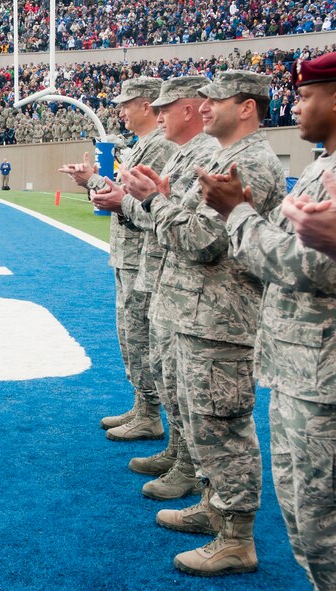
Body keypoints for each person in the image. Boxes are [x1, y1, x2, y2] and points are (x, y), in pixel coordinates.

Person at [200, 51, 336, 589]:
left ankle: (235, 534)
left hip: (329, 383)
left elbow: (303, 263)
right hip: (302, 369)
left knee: (331, 536)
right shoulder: (322, 164)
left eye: (306, 95)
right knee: (310, 530)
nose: (296, 103)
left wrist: (234, 212)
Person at [129, 70, 284, 576]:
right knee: (202, 421)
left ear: (246, 107)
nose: (204, 108)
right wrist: (167, 203)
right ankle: (214, 510)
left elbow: (201, 240)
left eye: (217, 100)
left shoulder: (253, 163)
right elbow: (189, 226)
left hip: (222, 318)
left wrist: (157, 202)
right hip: (195, 311)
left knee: (224, 427)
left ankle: (237, 538)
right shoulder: (223, 157)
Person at [93, 76, 219, 501]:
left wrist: (134, 201)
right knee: (150, 355)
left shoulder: (192, 152)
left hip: (182, 282)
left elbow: (186, 225)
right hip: (155, 268)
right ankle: (171, 442)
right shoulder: (180, 152)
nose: (160, 115)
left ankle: (187, 461)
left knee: (181, 378)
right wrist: (111, 192)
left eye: (165, 107)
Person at [60, 77, 176, 441]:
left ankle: (150, 412)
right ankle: (144, 406)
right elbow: (122, 195)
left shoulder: (158, 147)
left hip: (142, 254)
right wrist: (92, 181)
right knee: (131, 336)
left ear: (147, 105)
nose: (121, 110)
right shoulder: (144, 144)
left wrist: (101, 187)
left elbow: (132, 200)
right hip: (129, 254)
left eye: (128, 103)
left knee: (142, 337)